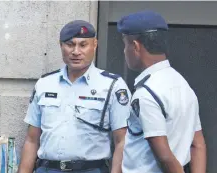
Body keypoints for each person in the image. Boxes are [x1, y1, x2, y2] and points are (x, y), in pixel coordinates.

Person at [18, 20, 131, 173]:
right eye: (70, 44)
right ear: (61, 46)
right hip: (47, 169)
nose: (76, 51)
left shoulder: (112, 86)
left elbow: (122, 141)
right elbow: (32, 140)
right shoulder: (45, 84)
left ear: (95, 45)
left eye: (83, 45)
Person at [117, 11, 207, 173]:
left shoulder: (147, 93)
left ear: (136, 46)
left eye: (125, 44)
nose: (124, 51)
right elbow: (198, 144)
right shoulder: (183, 85)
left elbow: (164, 157)